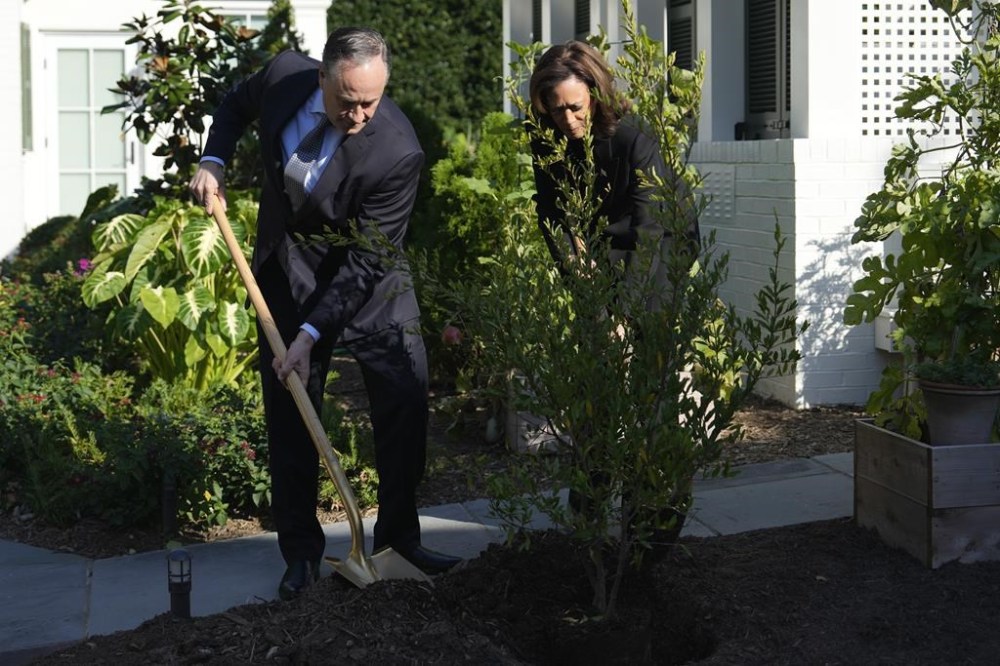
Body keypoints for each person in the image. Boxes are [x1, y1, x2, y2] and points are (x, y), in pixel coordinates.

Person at [189, 27, 461, 600]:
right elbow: (235, 104)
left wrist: (314, 332)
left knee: (404, 401)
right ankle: (300, 556)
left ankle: (398, 541)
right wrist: (214, 158)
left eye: (372, 101)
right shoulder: (285, 75)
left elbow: (364, 261)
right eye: (347, 101)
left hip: (371, 275)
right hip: (287, 272)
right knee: (291, 412)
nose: (360, 114)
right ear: (321, 79)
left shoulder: (398, 149)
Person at [527, 40, 700, 556]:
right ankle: (589, 518)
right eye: (555, 108)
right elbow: (552, 215)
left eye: (575, 107)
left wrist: (625, 312)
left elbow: (651, 227)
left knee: (650, 390)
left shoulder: (632, 133)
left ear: (596, 95)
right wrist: (586, 286)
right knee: (597, 387)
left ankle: (652, 532)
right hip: (601, 250)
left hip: (658, 249)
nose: (567, 118)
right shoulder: (545, 135)